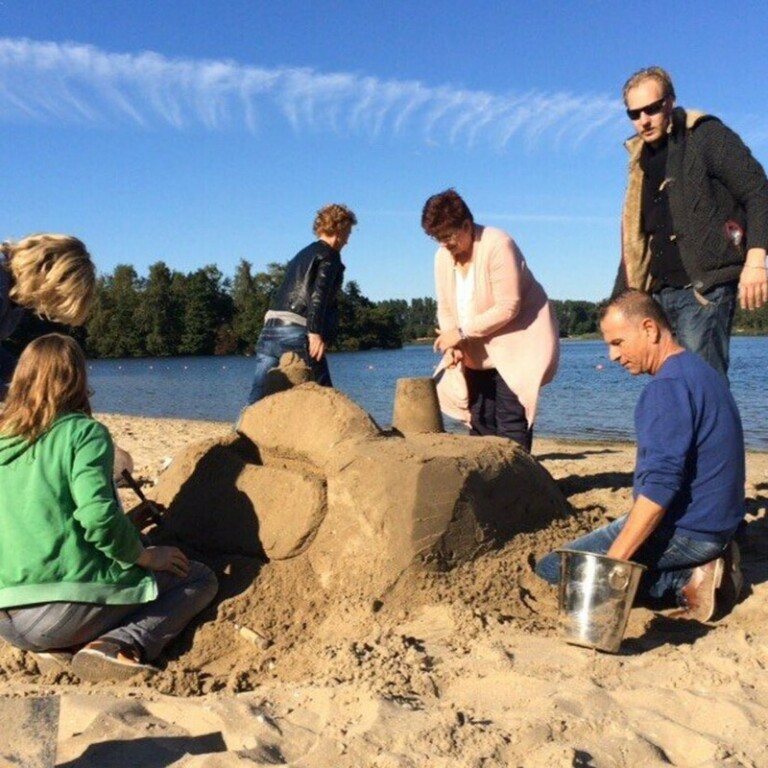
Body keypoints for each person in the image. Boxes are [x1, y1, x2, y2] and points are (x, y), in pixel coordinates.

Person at [0, 334, 218, 681]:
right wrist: (146, 557)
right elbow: (98, 518)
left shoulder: (4, 438)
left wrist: (127, 523)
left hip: (8, 618)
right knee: (198, 577)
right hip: (58, 612)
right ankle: (116, 644)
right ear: (78, 378)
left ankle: (57, 650)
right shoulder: (83, 434)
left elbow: (40, 518)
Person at [535, 290, 745, 622]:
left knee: (551, 569)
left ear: (649, 329)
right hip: (723, 524)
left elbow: (660, 488)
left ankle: (686, 579)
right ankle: (703, 565)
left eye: (618, 342)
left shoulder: (665, 389)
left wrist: (612, 564)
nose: (612, 355)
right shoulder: (700, 372)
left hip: (692, 533)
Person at [613, 66, 768, 378]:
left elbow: (758, 191)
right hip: (658, 294)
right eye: (635, 113)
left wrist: (756, 260)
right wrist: (620, 303)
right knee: (672, 390)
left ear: (670, 102)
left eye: (652, 109)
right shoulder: (640, 159)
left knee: (703, 388)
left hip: (704, 289)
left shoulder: (704, 135)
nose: (643, 120)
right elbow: (637, 237)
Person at [422, 189, 559, 451]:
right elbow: (446, 305)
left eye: (448, 236)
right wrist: (453, 344)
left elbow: (509, 306)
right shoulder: (442, 257)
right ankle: (488, 484)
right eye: (437, 238)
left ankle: (515, 485)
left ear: (466, 225)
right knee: (480, 418)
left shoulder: (498, 244)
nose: (444, 244)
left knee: (510, 420)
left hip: (517, 341)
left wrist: (460, 333)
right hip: (475, 347)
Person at [246, 203, 357, 404]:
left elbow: (286, 289)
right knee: (325, 394)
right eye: (348, 232)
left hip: (270, 330)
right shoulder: (330, 256)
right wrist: (314, 334)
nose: (348, 240)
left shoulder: (301, 254)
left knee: (257, 395)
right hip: (297, 332)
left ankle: (240, 433)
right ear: (339, 230)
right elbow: (319, 296)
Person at [1, 234, 95, 393]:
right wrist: (20, 393)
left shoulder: (14, 294)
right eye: (56, 298)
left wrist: (34, 378)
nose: (46, 307)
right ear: (48, 276)